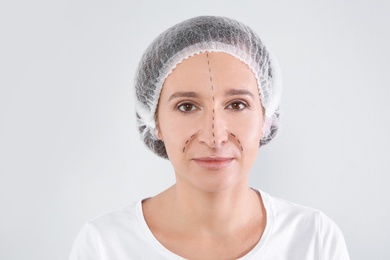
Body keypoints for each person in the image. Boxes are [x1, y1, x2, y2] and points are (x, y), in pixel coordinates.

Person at [69, 16, 350, 259]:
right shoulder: (105, 246)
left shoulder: (315, 240)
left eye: (237, 104)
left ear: (266, 118)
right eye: (187, 106)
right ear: (154, 122)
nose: (215, 136)